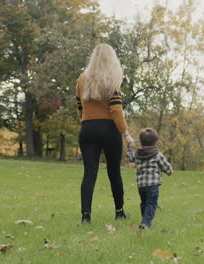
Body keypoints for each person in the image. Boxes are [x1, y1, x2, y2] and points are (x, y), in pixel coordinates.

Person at [76, 43, 136, 224]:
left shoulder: (81, 79)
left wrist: (86, 121)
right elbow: (116, 109)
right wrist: (126, 134)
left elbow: (79, 106)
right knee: (114, 172)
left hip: (87, 128)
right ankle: (119, 212)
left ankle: (86, 216)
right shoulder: (112, 80)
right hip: (109, 129)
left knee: (89, 173)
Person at [126, 128, 173, 230]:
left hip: (141, 185)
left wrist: (129, 148)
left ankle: (145, 221)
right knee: (151, 204)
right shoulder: (157, 154)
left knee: (144, 203)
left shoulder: (137, 153)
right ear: (156, 143)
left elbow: (130, 157)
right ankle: (145, 223)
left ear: (141, 142)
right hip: (153, 185)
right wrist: (169, 171)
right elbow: (167, 169)